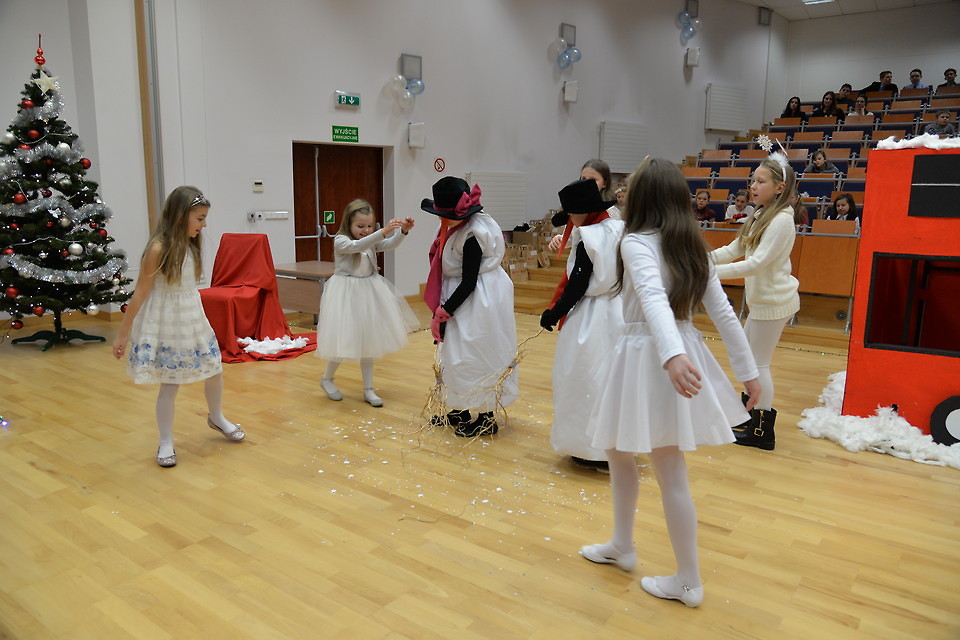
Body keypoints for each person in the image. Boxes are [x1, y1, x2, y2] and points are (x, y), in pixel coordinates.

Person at [580, 158, 760, 608]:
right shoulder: (689, 244)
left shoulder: (637, 241)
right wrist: (748, 371)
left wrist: (672, 355)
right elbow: (721, 312)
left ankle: (688, 580)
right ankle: (623, 544)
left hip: (651, 355)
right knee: (619, 450)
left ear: (642, 198)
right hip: (662, 351)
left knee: (665, 467)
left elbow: (654, 298)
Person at [112, 186, 243, 468]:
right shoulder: (158, 248)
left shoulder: (190, 244)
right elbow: (140, 292)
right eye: (200, 218)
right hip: (167, 320)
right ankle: (166, 440)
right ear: (181, 216)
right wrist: (122, 334)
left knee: (214, 369)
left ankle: (216, 417)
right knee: (171, 382)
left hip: (191, 316)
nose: (203, 225)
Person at [710, 153, 800, 450]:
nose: (753, 186)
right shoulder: (762, 214)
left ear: (779, 188)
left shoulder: (782, 220)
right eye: (753, 180)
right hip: (762, 303)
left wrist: (709, 273)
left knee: (759, 365)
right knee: (749, 362)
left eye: (761, 181)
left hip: (773, 303)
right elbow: (735, 248)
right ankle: (749, 417)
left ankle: (762, 432)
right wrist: (703, 260)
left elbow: (756, 263)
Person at [422, 177, 518, 437]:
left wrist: (445, 311)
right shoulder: (452, 225)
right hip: (460, 294)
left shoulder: (474, 233)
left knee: (477, 352)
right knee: (455, 354)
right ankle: (460, 407)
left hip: (477, 299)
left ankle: (486, 417)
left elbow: (469, 281)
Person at [540, 179, 625, 473]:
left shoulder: (589, 236)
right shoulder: (617, 228)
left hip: (594, 315)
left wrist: (553, 313)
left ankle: (594, 448)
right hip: (618, 309)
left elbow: (577, 284)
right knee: (612, 379)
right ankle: (616, 445)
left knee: (586, 378)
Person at [317, 199, 418, 407]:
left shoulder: (370, 239)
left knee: (368, 341)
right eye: (360, 226)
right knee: (342, 339)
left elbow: (388, 244)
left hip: (368, 292)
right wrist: (381, 232)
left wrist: (402, 232)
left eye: (369, 226)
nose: (365, 231)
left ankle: (368, 389)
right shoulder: (341, 241)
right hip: (346, 295)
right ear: (348, 223)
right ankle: (327, 378)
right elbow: (357, 246)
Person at [549, 159, 620, 249]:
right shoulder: (576, 207)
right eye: (583, 179)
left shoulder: (611, 213)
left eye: (593, 180)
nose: (586, 184)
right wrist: (560, 239)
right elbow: (574, 237)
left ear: (604, 183)